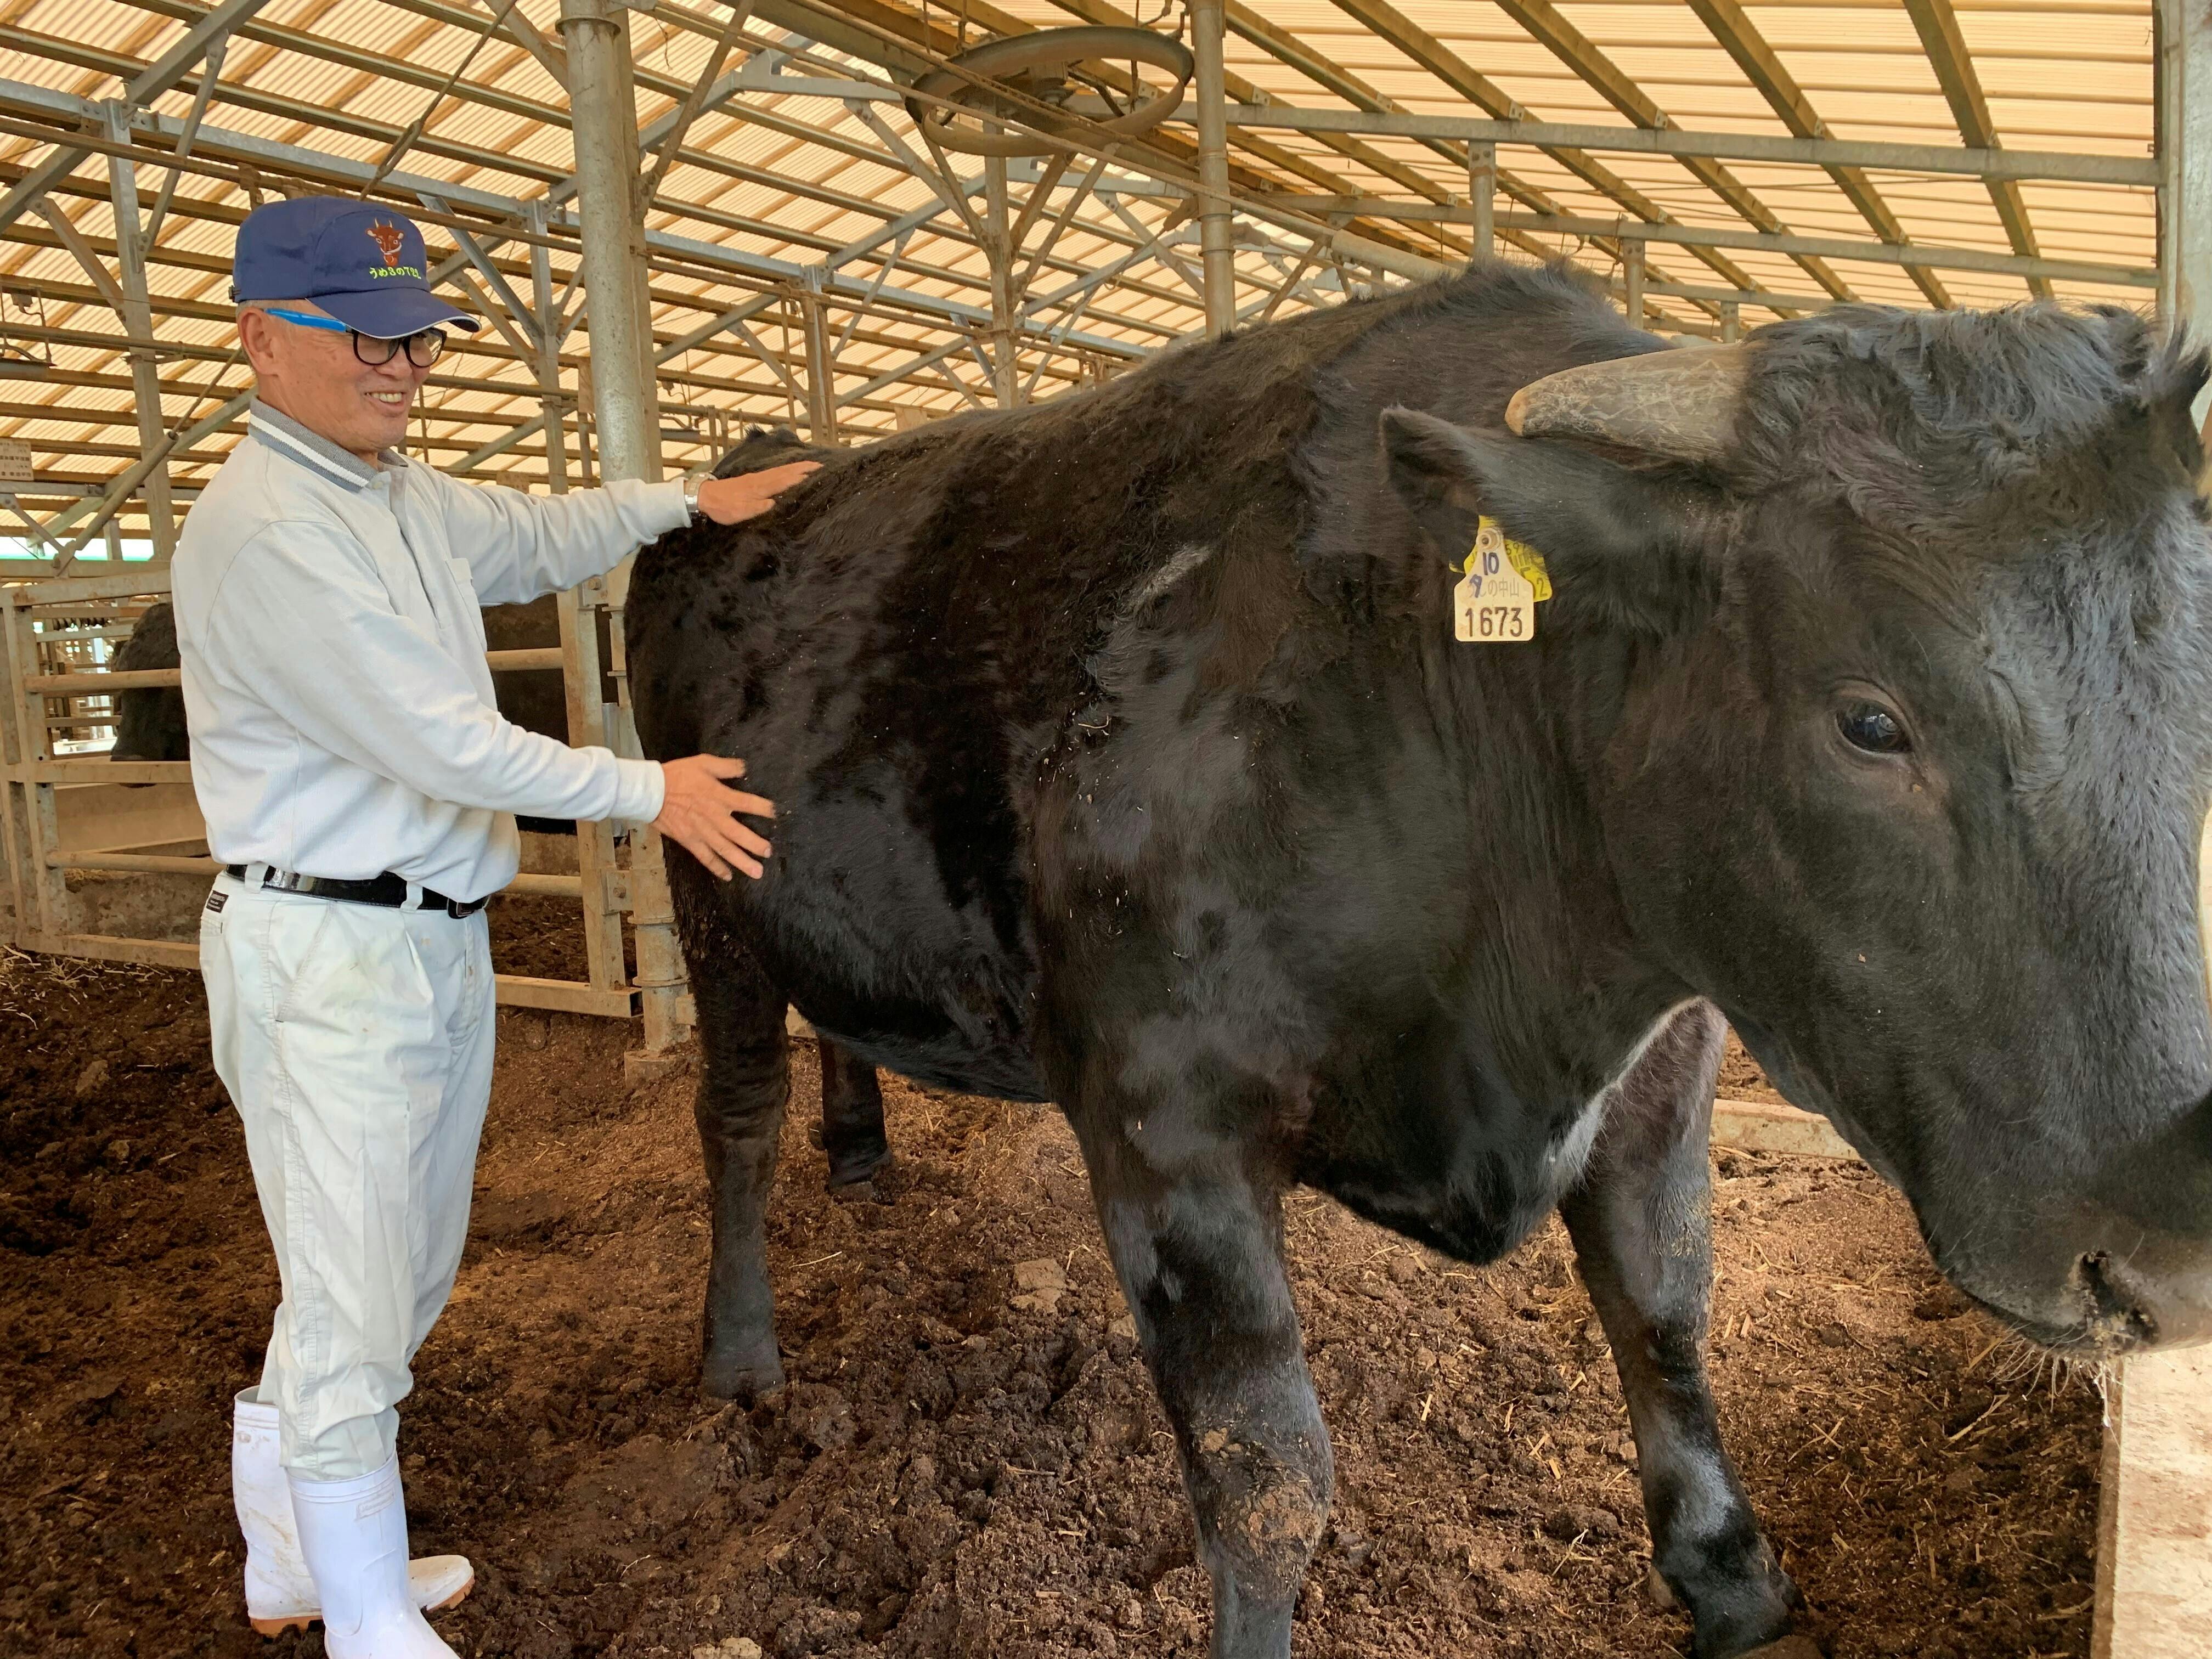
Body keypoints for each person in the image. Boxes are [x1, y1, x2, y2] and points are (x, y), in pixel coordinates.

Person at [175, 196, 816, 1658]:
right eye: (368, 339)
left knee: (384, 1275)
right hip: (330, 955)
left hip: (419, 938)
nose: (401, 370)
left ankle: (295, 1555)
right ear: (262, 339)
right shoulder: (271, 533)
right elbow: (439, 741)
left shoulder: (389, 493)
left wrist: (684, 503)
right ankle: (364, 1622)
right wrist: (649, 789)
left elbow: (533, 533)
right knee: (355, 1294)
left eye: (418, 342)